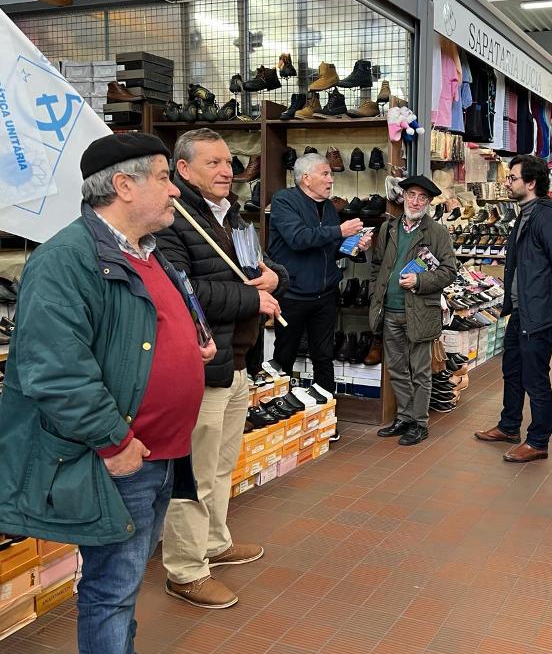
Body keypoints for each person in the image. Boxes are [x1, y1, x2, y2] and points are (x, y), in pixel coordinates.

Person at [0, 133, 216, 653]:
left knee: (125, 582)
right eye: (163, 177)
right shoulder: (65, 260)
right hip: (123, 456)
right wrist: (113, 442)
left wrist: (190, 341)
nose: (175, 190)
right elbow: (56, 370)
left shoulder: (148, 253)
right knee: (111, 588)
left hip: (162, 453)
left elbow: (140, 327)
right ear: (123, 185)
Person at [156, 128, 287, 609]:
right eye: (212, 163)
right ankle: (185, 569)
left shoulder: (232, 216)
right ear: (183, 170)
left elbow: (263, 268)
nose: (226, 171)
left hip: (239, 359)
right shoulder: (171, 220)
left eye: (228, 161)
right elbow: (183, 291)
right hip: (202, 365)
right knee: (194, 473)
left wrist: (276, 279)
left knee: (221, 465)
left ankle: (215, 541)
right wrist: (253, 296)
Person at [473, 155, 552, 462]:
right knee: (512, 369)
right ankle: (509, 425)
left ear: (530, 183)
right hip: (521, 310)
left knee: (535, 376)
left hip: (539, 312)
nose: (507, 182)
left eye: (513, 178)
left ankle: (538, 440)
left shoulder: (546, 217)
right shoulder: (525, 214)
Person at [267, 153, 372, 407]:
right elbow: (298, 238)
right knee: (285, 355)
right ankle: (277, 410)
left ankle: (325, 415)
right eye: (325, 174)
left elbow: (331, 249)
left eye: (330, 174)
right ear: (305, 178)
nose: (331, 180)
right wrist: (340, 231)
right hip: (292, 295)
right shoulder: (284, 201)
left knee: (324, 357)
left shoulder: (328, 208)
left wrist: (353, 245)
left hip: (324, 295)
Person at [369, 175, 458, 446]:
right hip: (390, 310)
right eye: (411, 195)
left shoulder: (437, 233)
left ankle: (419, 423)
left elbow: (449, 271)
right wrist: (376, 294)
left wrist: (420, 281)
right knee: (396, 368)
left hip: (419, 312)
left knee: (419, 371)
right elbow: (377, 266)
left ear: (429, 202)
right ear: (403, 197)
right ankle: (404, 417)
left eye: (422, 197)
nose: (415, 201)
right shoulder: (389, 228)